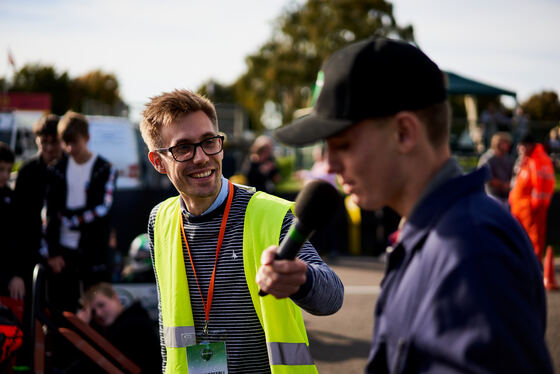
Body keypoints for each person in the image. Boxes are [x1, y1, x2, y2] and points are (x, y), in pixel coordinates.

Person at [275, 37, 553, 373]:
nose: (329, 165)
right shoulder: (437, 233)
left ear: (405, 133)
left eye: (343, 144)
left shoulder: (472, 251)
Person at [139, 89, 343, 373]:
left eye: (209, 141)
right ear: (158, 162)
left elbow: (332, 297)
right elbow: (167, 326)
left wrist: (302, 279)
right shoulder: (159, 220)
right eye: (183, 148)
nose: (201, 158)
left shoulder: (272, 214)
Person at [45, 111, 117, 313]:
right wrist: (53, 251)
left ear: (86, 138)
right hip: (64, 253)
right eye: (65, 143)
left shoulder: (105, 168)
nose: (70, 149)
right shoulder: (56, 169)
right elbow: (50, 211)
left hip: (94, 251)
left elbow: (104, 207)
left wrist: (71, 219)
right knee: (64, 310)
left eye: (74, 142)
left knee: (96, 309)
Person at [73, 282, 161, 373]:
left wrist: (81, 327)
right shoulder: (129, 322)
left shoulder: (132, 326)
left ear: (115, 298)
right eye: (93, 312)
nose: (98, 313)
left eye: (101, 305)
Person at [509, 133, 555, 261]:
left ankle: (534, 265)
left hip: (531, 209)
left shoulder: (538, 160)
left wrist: (536, 205)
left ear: (529, 145)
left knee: (534, 238)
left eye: (521, 145)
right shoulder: (527, 159)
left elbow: (542, 184)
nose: (519, 148)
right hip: (521, 208)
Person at [0, 142, 24, 300]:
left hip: (5, 278)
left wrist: (17, 274)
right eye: (1, 170)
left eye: (9, 170)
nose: (6, 175)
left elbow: (18, 239)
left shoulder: (12, 198)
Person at [476, 131, 515, 206]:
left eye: (508, 143)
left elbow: (513, 176)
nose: (508, 145)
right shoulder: (487, 158)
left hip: (507, 198)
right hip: (490, 196)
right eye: (505, 142)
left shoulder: (509, 159)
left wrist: (511, 184)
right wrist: (503, 185)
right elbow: (486, 178)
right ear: (497, 143)